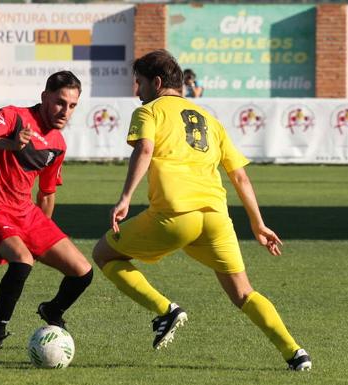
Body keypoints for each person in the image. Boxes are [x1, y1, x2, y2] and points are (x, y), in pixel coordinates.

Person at [92, 50, 311, 371]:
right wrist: (258, 224)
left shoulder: (150, 111)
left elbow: (146, 148)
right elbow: (240, 177)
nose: (136, 92)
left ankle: (165, 310)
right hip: (216, 218)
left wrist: (125, 197)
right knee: (243, 292)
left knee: (104, 254)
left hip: (175, 214)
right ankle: (295, 353)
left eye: (139, 83)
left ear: (156, 82)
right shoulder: (210, 120)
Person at [0, 71, 93, 355]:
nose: (65, 111)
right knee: (22, 261)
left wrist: (41, 236)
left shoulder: (57, 144)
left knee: (82, 272)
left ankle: (52, 309)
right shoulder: (14, 117)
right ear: (45, 97)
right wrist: (9, 143)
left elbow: (47, 194)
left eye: (72, 106)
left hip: (26, 211)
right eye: (60, 102)